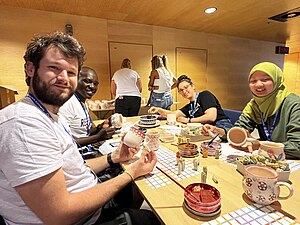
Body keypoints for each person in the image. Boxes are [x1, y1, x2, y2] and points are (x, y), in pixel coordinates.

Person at [0, 31, 159, 225]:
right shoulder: (23, 123)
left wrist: (114, 157)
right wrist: (131, 172)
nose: (64, 78)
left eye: (71, 72)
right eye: (54, 68)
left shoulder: (49, 114)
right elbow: (60, 214)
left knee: (131, 185)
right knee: (155, 218)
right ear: (31, 68)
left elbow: (72, 167)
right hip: (81, 220)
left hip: (87, 203)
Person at [202, 62, 300, 159]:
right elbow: (240, 129)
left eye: (265, 80)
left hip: (291, 162)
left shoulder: (295, 105)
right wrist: (218, 131)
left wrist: (260, 145)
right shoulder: (254, 105)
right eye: (253, 81)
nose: (258, 85)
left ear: (277, 80)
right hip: (266, 159)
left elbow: (297, 147)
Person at [148, 74, 233, 129]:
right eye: (181, 90)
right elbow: (172, 114)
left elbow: (211, 117)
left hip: (222, 126)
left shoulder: (205, 95)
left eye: (186, 87)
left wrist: (189, 120)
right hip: (208, 128)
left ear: (193, 86)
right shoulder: (190, 107)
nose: (184, 91)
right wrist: (158, 109)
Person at [59, 66, 115, 147]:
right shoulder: (67, 104)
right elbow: (64, 142)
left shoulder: (82, 102)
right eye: (87, 81)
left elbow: (83, 133)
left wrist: (99, 128)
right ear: (76, 80)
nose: (92, 86)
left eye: (95, 84)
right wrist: (98, 137)